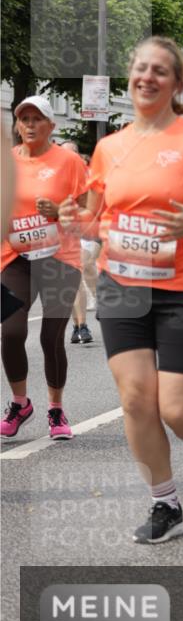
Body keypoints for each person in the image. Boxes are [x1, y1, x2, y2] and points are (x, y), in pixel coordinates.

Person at [59, 36, 183, 543]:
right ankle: (166, 504)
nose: (146, 77)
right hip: (123, 284)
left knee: (178, 410)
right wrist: (73, 221)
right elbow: (95, 219)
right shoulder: (110, 147)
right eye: (140, 68)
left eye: (159, 71)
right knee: (137, 398)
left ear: (176, 83)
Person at [1, 96, 87, 441]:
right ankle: (20, 403)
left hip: (60, 258)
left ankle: (56, 408)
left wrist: (58, 211)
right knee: (10, 332)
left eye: (37, 119)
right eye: (24, 119)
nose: (30, 125)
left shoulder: (69, 162)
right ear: (17, 125)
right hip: (14, 258)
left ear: (51, 125)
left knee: (50, 337)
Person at [59, 141, 96, 344]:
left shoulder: (87, 175)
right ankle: (77, 325)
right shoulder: (49, 174)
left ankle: (81, 326)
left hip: (84, 232)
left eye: (71, 153)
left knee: (80, 273)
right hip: (56, 235)